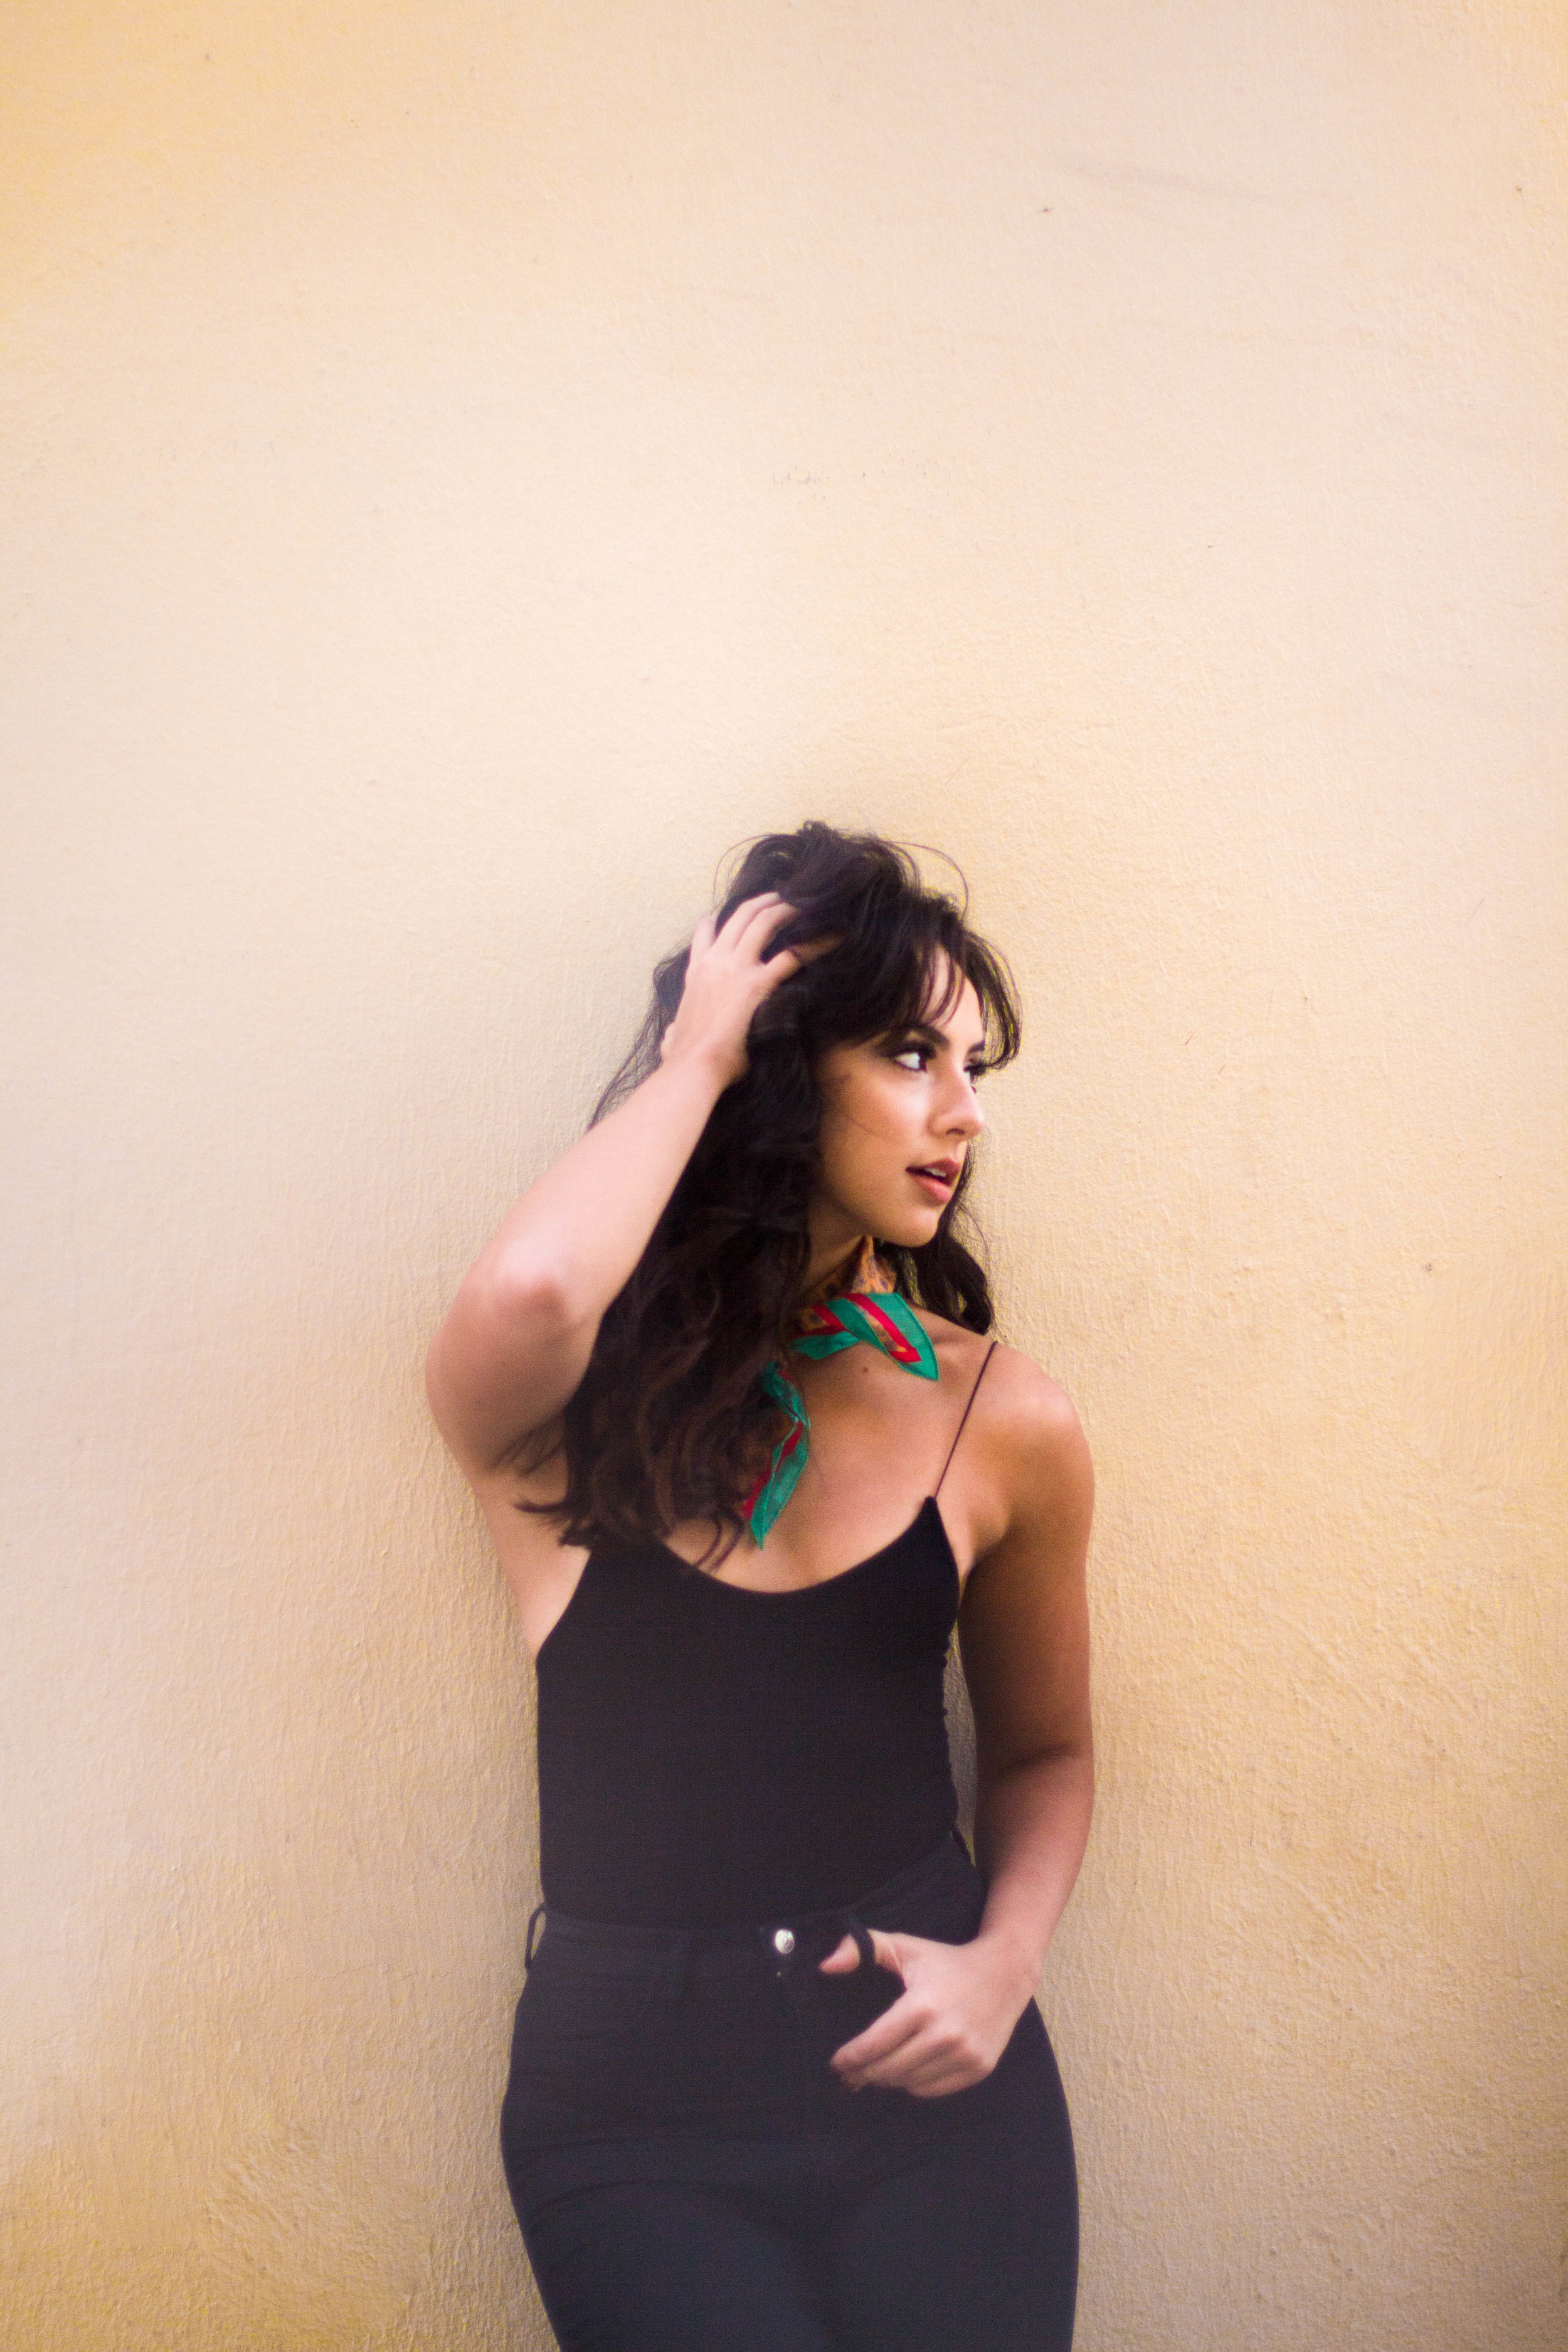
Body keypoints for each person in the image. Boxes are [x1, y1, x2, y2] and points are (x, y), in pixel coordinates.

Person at [425, 822, 1094, 2351]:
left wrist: (1003, 1964)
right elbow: (531, 1287)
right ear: (788, 1068)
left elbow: (1046, 1748)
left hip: (934, 2083)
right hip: (631, 2122)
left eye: (974, 1068)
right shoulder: (565, 1402)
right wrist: (700, 1057)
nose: (961, 1113)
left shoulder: (1005, 1417)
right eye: (913, 1052)